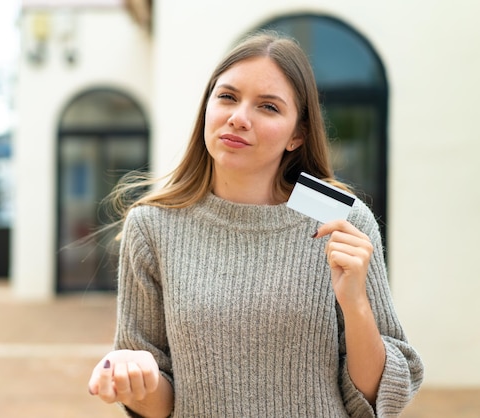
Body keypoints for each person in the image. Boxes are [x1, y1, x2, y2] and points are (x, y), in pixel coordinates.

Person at [87, 31, 423, 417]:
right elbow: (159, 406)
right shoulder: (151, 227)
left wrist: (356, 304)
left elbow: (377, 397)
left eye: (268, 107)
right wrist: (136, 383)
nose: (239, 118)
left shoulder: (343, 221)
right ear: (207, 108)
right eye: (227, 97)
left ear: (298, 135)